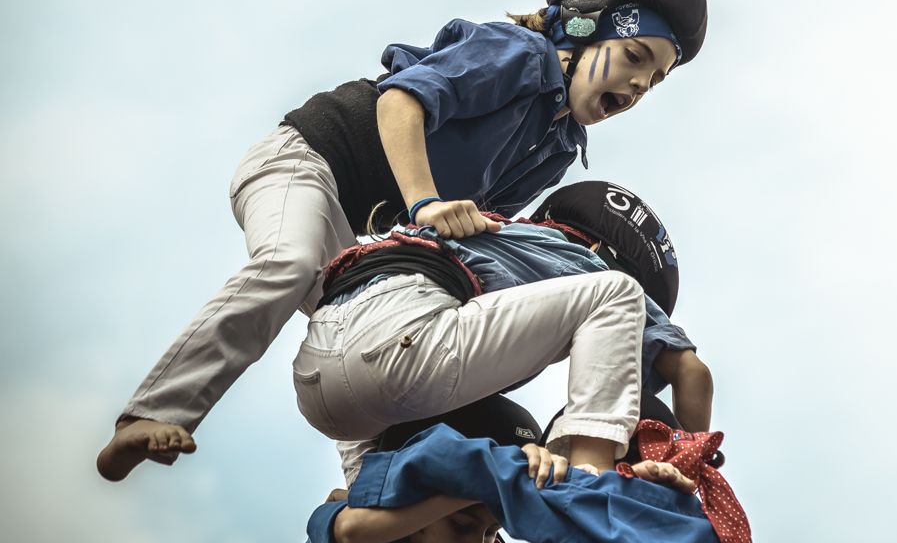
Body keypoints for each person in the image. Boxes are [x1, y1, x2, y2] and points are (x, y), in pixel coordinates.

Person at [97, 0, 710, 482]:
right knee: (287, 263)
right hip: (311, 162)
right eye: (634, 57)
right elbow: (401, 102)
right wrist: (426, 202)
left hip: (365, 229)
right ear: (580, 28)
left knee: (368, 323)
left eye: (654, 80)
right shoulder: (520, 55)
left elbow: (470, 236)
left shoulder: (556, 150)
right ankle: (151, 412)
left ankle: (367, 491)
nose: (637, 86)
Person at [295, 181, 714, 483]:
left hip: (321, 380)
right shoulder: (587, 262)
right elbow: (692, 372)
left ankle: (364, 494)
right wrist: (691, 472)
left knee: (479, 418)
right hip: (402, 342)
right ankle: (592, 475)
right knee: (615, 293)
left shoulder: (497, 235)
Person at [304, 424, 752, 543]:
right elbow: (350, 530)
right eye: (461, 525)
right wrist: (501, 477)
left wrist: (633, 496)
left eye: (488, 533)